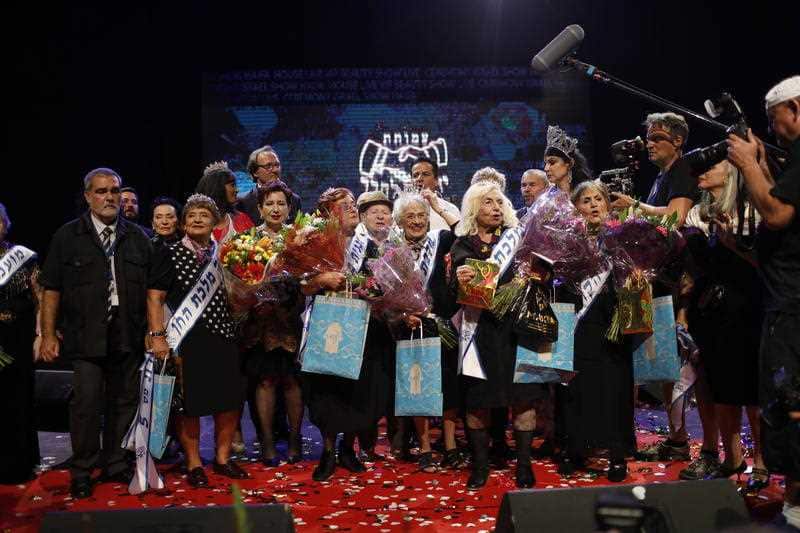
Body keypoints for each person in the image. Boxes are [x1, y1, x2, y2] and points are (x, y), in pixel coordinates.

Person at [39, 168, 153, 499]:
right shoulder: (67, 236)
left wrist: (153, 331)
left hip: (127, 334)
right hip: (85, 336)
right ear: (88, 196)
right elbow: (50, 290)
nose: (109, 197)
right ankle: (83, 469)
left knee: (124, 401)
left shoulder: (137, 237)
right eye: (101, 191)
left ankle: (116, 463)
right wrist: (47, 334)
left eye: (114, 191)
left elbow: (152, 292)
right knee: (86, 405)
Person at [727, 75, 800, 530]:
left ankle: (796, 500)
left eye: (775, 123)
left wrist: (750, 164)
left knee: (790, 400)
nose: (773, 133)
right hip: (789, 296)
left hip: (793, 306)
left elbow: (776, 213)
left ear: (795, 108)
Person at [146, 193, 249, 487]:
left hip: (224, 336)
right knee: (189, 405)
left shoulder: (228, 253)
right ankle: (193, 463)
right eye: (191, 215)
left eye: (204, 215)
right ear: (183, 223)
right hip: (187, 339)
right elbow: (155, 297)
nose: (197, 219)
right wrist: (157, 337)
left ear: (215, 221)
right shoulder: (171, 253)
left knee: (228, 402)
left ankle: (222, 459)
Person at [612, 112, 697, 462]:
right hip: (659, 279)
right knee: (662, 367)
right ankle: (677, 440)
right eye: (648, 137)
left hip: (683, 283)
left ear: (677, 140)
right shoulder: (662, 176)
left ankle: (682, 441)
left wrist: (635, 207)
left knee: (676, 369)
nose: (649, 142)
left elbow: (675, 217)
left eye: (657, 137)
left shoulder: (684, 170)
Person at [677, 161, 767, 492]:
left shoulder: (752, 209)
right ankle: (732, 458)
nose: (700, 170)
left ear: (730, 172)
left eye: (710, 166)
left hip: (747, 308)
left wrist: (732, 242)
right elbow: (693, 267)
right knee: (722, 390)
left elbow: (766, 264)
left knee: (752, 392)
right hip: (710, 310)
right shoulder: (698, 214)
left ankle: (761, 459)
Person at [449, 181, 543, 489]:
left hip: (517, 331)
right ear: (475, 209)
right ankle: (480, 465)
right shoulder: (462, 244)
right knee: (478, 401)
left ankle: (525, 465)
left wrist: (536, 275)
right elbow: (454, 290)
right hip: (481, 333)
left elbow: (543, 274)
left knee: (523, 398)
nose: (496, 208)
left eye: (499, 202)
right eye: (488, 202)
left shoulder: (519, 238)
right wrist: (460, 278)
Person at [555, 180, 637, 483]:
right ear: (577, 208)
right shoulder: (567, 240)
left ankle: (617, 454)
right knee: (575, 387)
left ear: (607, 204)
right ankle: (575, 448)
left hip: (611, 320)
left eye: (598, 199)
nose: (593, 205)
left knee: (614, 388)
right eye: (586, 200)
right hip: (578, 322)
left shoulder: (622, 237)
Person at [302, 187, 384, 481]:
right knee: (327, 392)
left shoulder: (370, 244)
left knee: (357, 390)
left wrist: (372, 288)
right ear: (327, 213)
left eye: (353, 204)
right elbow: (301, 285)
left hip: (363, 328)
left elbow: (382, 283)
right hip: (328, 329)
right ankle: (327, 451)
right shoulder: (316, 243)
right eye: (344, 205)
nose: (352, 208)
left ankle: (347, 449)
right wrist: (322, 279)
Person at [391, 191, 463, 472]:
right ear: (400, 221)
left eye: (422, 216)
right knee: (419, 386)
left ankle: (450, 444)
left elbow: (463, 232)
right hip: (412, 326)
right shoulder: (392, 251)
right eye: (411, 216)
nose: (418, 221)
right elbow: (384, 293)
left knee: (448, 388)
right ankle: (424, 447)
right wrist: (401, 315)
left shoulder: (441, 239)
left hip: (443, 323)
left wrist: (438, 207)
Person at [241, 181, 306, 466]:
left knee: (292, 381)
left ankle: (294, 439)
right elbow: (241, 280)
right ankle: (266, 440)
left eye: (281, 204)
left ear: (289, 208)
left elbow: (311, 276)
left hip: (293, 319)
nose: (275, 209)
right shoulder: (248, 240)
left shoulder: (301, 238)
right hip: (262, 321)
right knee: (265, 381)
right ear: (259, 208)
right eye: (269, 204)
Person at [0, 203, 40, 483]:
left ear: (7, 223)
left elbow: (41, 298)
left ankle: (18, 464)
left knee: (17, 400)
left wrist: (41, 334)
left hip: (18, 337)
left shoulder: (23, 257)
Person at [196, 161, 255, 244]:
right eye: (232, 185)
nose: (237, 190)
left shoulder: (241, 220)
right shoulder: (197, 223)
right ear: (217, 188)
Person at [239, 145, 301, 223]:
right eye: (268, 166)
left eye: (277, 165)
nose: (275, 170)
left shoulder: (295, 199)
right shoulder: (243, 202)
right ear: (255, 172)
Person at [409, 157, 460, 231]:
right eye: (415, 175)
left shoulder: (451, 209)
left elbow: (461, 235)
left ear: (436, 180)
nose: (419, 179)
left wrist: (439, 210)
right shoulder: (401, 210)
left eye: (425, 174)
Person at [543, 125, 592, 193]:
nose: (546, 168)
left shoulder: (588, 193)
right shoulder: (545, 200)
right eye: (546, 163)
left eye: (552, 162)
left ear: (570, 163)